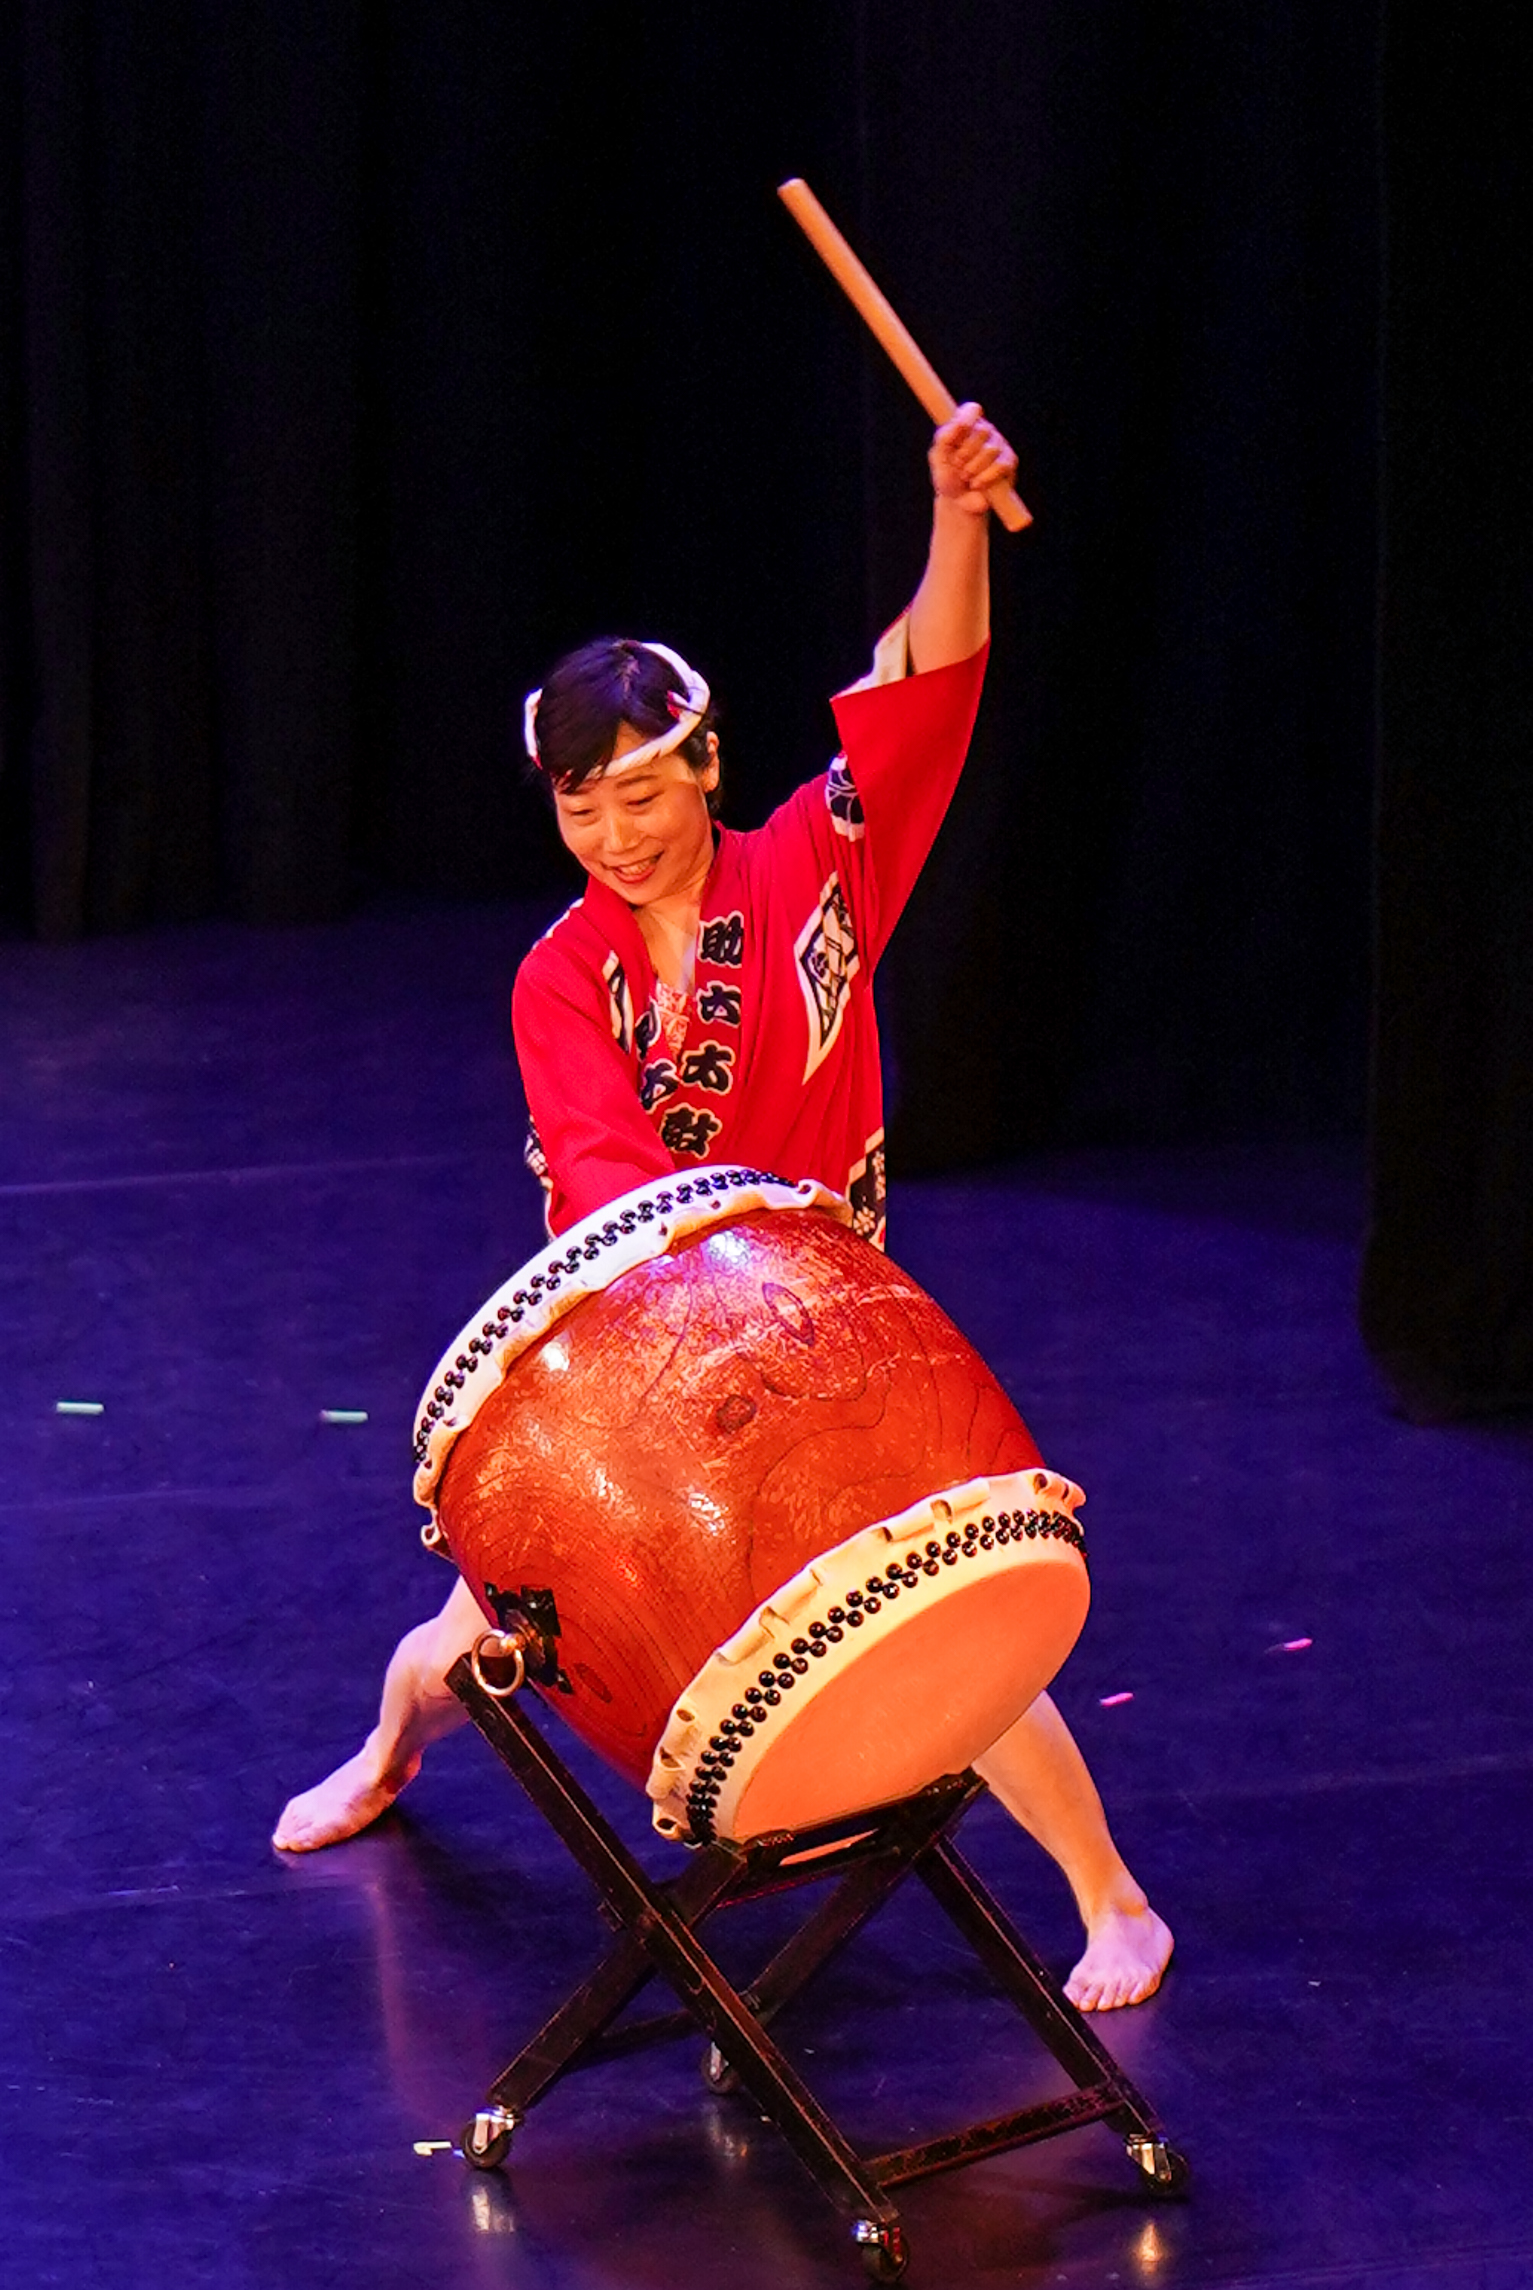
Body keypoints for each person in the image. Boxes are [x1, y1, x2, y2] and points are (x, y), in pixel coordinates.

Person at [274, 406, 1173, 2013]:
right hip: (637, 1349)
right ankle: (382, 1753)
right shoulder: (561, 974)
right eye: (577, 809)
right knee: (483, 1640)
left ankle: (1114, 1900)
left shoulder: (814, 870)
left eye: (638, 793)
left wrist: (953, 517)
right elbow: (602, 1173)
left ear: (705, 763)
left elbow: (920, 693)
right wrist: (680, 1340)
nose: (612, 836)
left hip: (828, 1346)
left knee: (933, 1607)